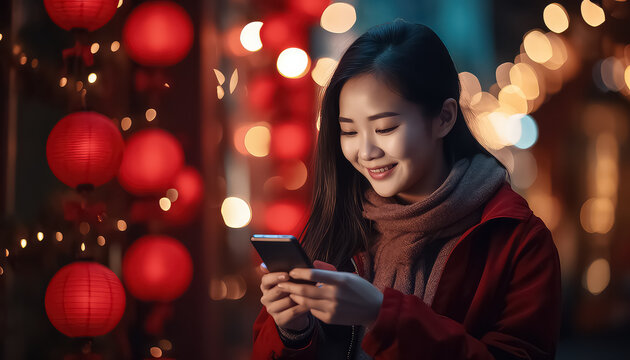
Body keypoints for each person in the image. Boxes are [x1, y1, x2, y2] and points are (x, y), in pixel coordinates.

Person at [252, 19, 561, 360]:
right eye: (349, 131)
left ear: (444, 118)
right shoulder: (336, 224)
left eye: (385, 128)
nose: (366, 152)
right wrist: (294, 333)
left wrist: (382, 314)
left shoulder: (518, 240)